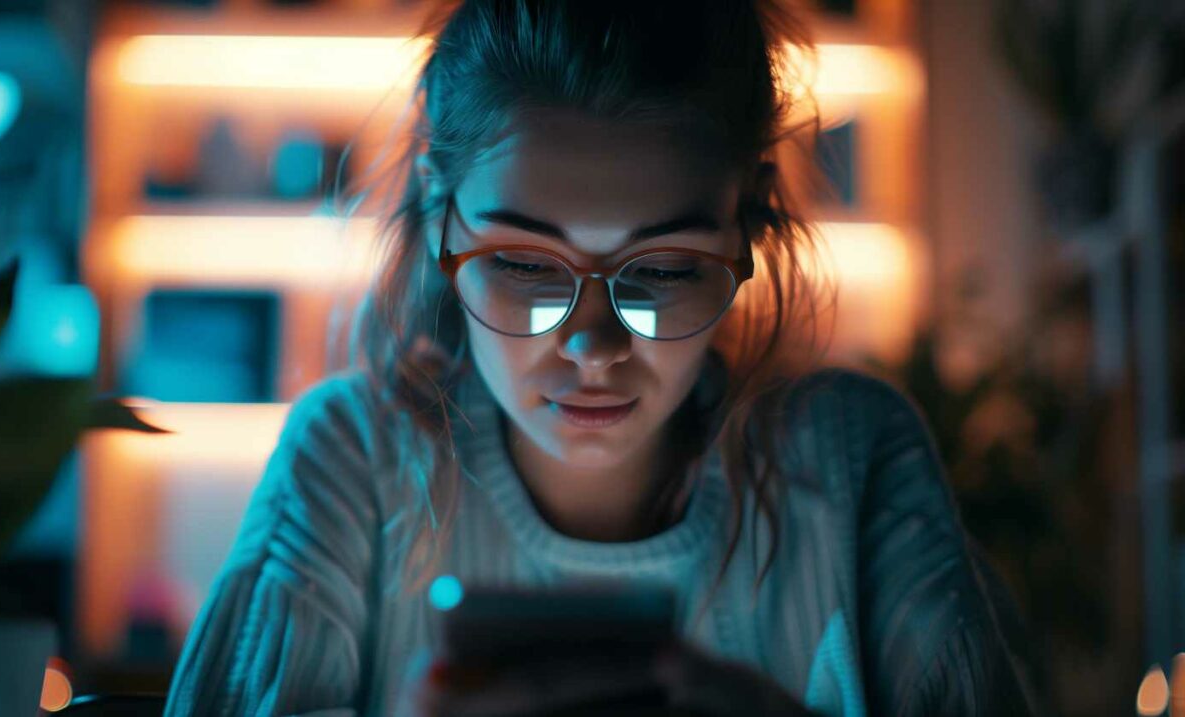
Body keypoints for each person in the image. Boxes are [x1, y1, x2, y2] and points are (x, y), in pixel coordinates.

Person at [164, 1, 1040, 715]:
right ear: (440, 212)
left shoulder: (852, 461)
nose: (592, 344)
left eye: (660, 270)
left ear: (750, 227)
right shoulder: (355, 459)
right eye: (522, 264)